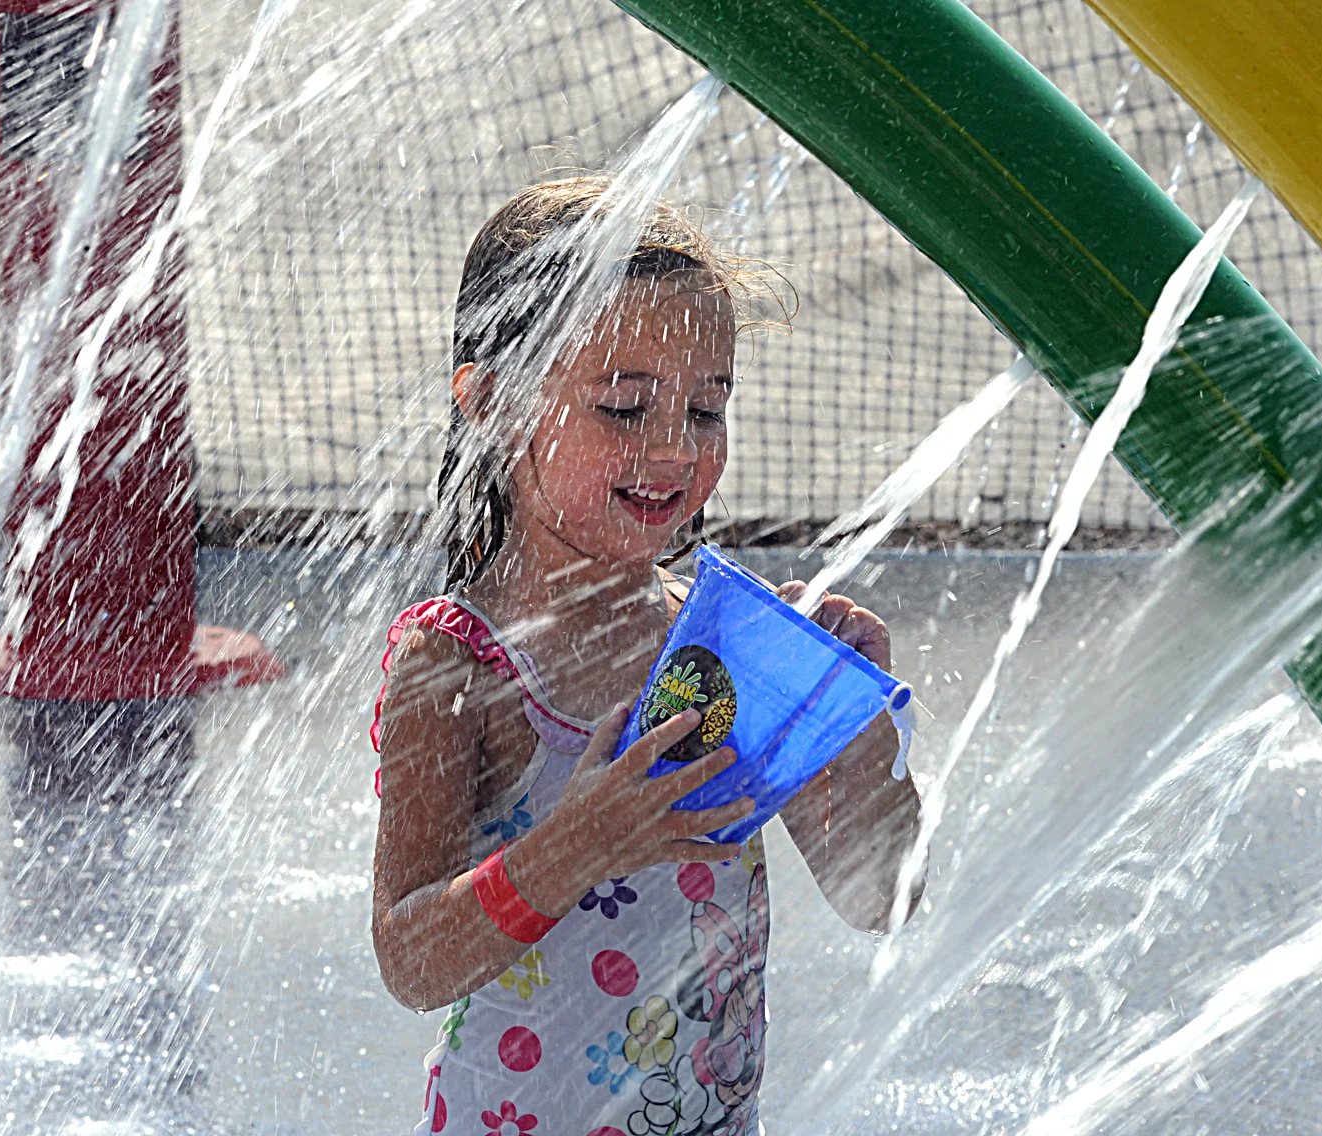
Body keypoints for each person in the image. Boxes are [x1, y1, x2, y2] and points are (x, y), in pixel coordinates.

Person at [370, 176, 925, 1136]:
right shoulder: (459, 664)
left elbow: (879, 898)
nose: (674, 449)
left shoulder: (721, 642)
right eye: (626, 407)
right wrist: (575, 845)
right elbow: (411, 961)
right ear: (494, 404)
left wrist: (852, 729)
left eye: (707, 410)